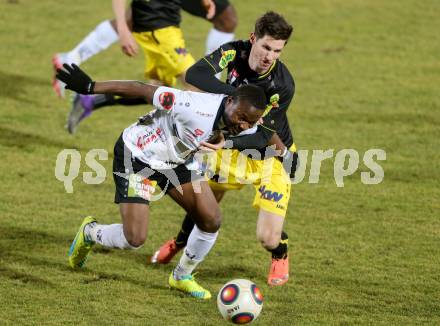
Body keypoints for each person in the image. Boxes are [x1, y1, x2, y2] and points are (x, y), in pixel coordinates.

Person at [56, 63, 267, 299]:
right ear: (229, 101)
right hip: (139, 157)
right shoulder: (194, 107)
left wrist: (286, 154)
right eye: (241, 117)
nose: (243, 125)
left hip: (177, 163)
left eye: (249, 122)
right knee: (134, 238)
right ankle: (90, 232)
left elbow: (265, 136)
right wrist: (90, 86)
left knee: (211, 219)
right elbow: (142, 90)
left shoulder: (246, 122)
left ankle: (181, 277)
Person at [151, 11, 298, 287]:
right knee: (203, 206)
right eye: (266, 46)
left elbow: (264, 135)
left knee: (267, 237)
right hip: (229, 153)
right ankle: (179, 242)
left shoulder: (282, 85)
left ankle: (280, 252)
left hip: (268, 157)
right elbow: (194, 74)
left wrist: (227, 141)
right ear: (253, 39)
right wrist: (232, 95)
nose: (269, 56)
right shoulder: (234, 53)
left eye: (277, 51)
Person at [52, 0, 237, 98]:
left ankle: (155, 149)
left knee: (159, 92)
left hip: (167, 27)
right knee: (199, 89)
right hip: (158, 30)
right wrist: (124, 30)